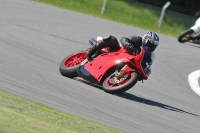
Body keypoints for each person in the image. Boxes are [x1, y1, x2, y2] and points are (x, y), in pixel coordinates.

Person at [86, 31, 159, 67]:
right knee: (112, 39)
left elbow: (147, 64)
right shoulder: (138, 40)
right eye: (150, 44)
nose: (151, 47)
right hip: (117, 50)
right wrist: (128, 45)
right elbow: (123, 39)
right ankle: (91, 50)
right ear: (146, 39)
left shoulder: (147, 54)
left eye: (153, 46)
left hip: (125, 61)